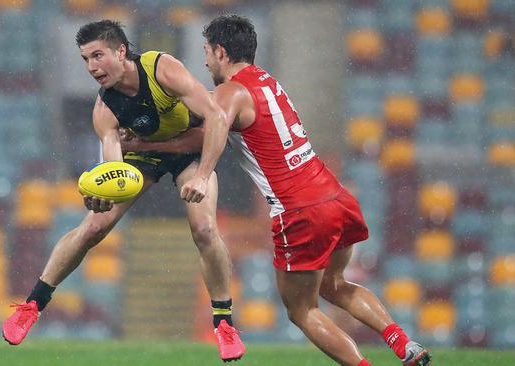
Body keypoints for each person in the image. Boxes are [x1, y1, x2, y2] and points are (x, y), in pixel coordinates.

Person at [126, 14, 432, 366]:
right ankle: (404, 344)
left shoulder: (229, 92)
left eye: (207, 52)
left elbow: (213, 129)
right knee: (334, 283)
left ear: (221, 51)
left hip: (299, 210)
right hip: (335, 196)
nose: (206, 60)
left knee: (301, 311)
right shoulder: (266, 81)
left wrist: (193, 169)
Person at [1, 19, 245, 362]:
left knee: (204, 228)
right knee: (93, 227)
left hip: (191, 155)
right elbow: (116, 169)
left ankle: (224, 323)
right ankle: (32, 305)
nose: (91, 67)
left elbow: (217, 119)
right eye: (85, 59)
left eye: (97, 56)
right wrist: (103, 194)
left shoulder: (162, 69)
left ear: (120, 50)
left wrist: (203, 175)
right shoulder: (105, 110)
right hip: (143, 156)